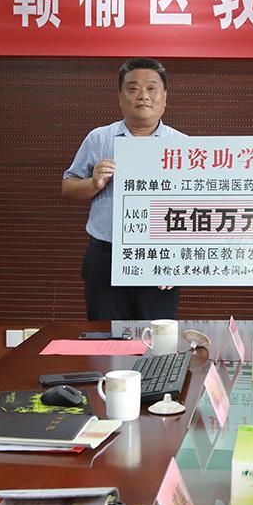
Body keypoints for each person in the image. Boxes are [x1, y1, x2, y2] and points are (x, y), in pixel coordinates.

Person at [63, 57, 184, 320]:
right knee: (106, 336)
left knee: (157, 338)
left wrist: (179, 263)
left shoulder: (183, 146)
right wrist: (93, 183)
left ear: (164, 96)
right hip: (106, 256)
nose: (143, 96)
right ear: (120, 97)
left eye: (151, 88)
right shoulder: (99, 139)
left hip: (160, 260)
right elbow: (68, 187)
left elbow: (196, 209)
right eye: (133, 88)